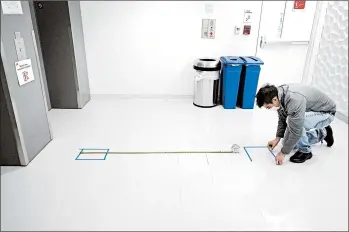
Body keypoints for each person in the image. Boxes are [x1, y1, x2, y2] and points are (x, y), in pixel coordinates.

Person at [255, 83, 336, 165]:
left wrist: (283, 153)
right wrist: (277, 139)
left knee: (295, 124)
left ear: (274, 99)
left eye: (269, 107)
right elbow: (282, 118)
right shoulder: (278, 94)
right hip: (309, 110)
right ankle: (323, 132)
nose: (270, 109)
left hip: (326, 113)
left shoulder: (294, 99)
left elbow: (297, 131)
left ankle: (306, 151)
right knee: (287, 143)